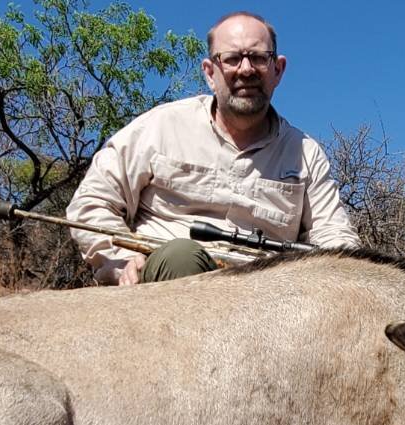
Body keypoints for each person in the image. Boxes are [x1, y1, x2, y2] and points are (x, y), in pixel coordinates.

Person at [66, 11, 361, 285]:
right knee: (181, 257)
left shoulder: (305, 152)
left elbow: (334, 234)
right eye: (232, 59)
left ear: (277, 70)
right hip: (164, 291)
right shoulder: (160, 126)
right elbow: (92, 201)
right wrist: (119, 261)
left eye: (258, 58)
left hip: (267, 297)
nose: (246, 70)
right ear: (210, 72)